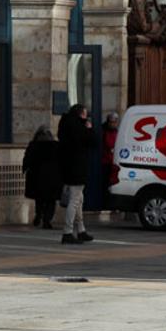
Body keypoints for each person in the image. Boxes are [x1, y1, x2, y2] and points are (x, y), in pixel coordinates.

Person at [57, 103, 97, 245]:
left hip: (69, 167)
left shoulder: (66, 125)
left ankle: (81, 230)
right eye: (85, 114)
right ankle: (67, 232)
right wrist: (89, 129)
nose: (87, 116)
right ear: (81, 114)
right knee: (75, 200)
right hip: (77, 168)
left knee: (79, 199)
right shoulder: (79, 127)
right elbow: (93, 142)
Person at [22, 126, 61, 229]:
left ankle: (39, 214)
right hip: (52, 178)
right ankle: (47, 220)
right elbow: (61, 161)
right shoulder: (55, 146)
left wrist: (24, 169)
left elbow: (27, 159)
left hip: (36, 177)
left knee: (39, 199)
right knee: (50, 200)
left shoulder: (33, 145)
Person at [100, 111, 120, 206]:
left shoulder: (116, 131)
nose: (114, 124)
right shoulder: (104, 131)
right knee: (105, 184)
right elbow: (109, 144)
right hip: (105, 161)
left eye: (115, 122)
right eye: (112, 122)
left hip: (113, 161)